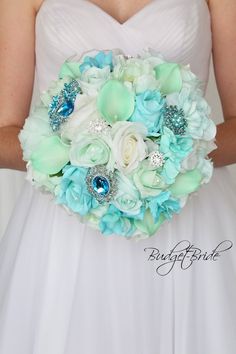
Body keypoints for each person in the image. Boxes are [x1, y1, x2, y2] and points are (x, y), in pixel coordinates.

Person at [0, 0, 236, 353]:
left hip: (188, 222)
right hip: (65, 229)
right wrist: (82, 162)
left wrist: (164, 158)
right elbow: (5, 131)